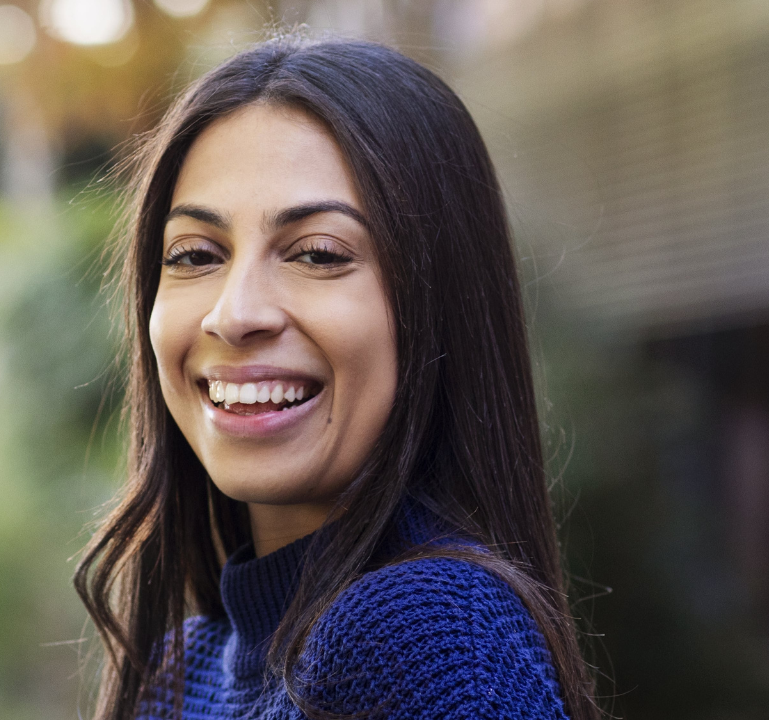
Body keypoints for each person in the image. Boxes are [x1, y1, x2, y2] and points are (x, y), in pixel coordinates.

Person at [73, 37, 599, 720]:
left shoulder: (425, 637)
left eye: (318, 254)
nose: (235, 315)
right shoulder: (181, 670)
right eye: (197, 254)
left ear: (436, 304)